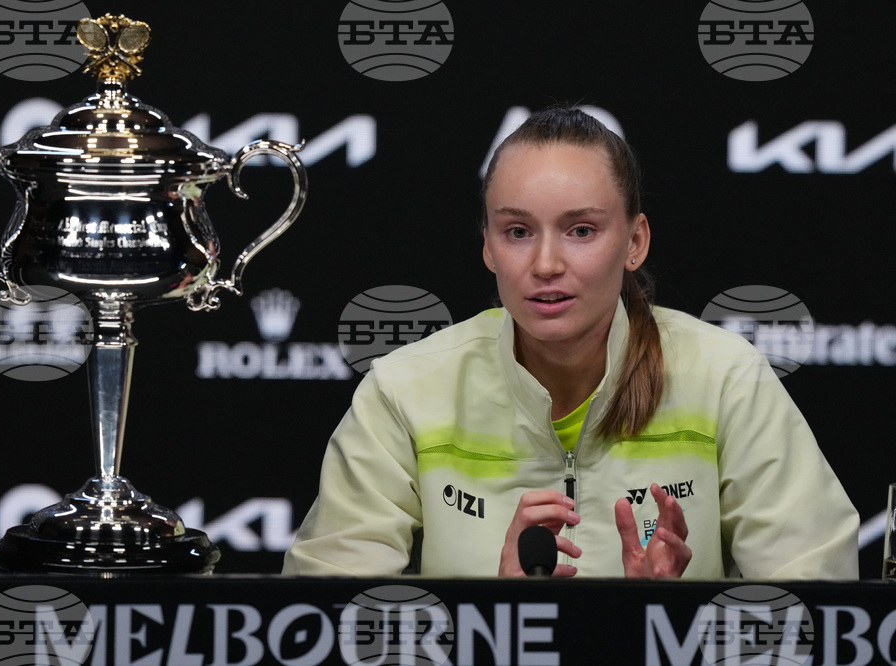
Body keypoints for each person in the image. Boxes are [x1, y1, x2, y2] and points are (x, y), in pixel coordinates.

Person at [282, 106, 860, 579]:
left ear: (634, 242)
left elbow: (818, 611)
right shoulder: (405, 389)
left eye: (581, 230)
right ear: (487, 247)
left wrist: (677, 628)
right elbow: (328, 622)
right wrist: (492, 622)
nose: (546, 263)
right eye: (517, 231)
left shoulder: (726, 376)